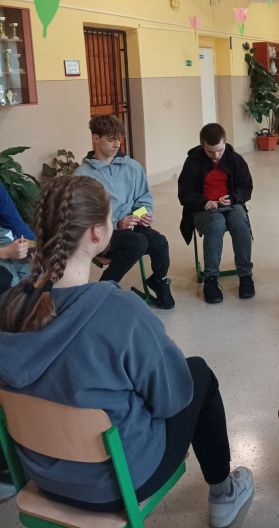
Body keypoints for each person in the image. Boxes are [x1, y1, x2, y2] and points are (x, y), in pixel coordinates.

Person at [0, 176, 253, 527]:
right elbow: (171, 399)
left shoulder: (9, 304)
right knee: (199, 374)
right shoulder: (120, 312)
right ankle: (224, 496)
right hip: (116, 483)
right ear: (96, 233)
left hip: (42, 477)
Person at [74, 114, 174, 309]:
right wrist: (117, 224)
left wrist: (142, 214)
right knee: (138, 242)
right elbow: (82, 217)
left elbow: (144, 198)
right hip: (102, 233)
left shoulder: (132, 167)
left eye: (119, 139)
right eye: (111, 140)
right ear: (96, 138)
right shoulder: (82, 175)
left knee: (160, 242)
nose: (117, 144)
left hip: (132, 226)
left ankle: (159, 280)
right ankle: (103, 289)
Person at [178, 123, 254, 304]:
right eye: (210, 152)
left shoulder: (235, 160)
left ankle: (245, 275)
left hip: (231, 205)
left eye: (220, 150)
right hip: (202, 209)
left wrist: (233, 197)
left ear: (225, 142)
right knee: (216, 223)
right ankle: (210, 279)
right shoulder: (192, 162)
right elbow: (184, 192)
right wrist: (203, 202)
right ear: (202, 145)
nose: (216, 155)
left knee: (240, 221)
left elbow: (246, 187)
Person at [0, 183, 35, 294]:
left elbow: (14, 220)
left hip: (4, 239)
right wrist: (4, 252)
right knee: (7, 280)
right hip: (4, 251)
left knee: (33, 274)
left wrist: (35, 245)